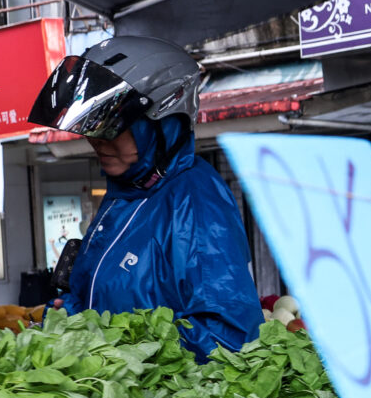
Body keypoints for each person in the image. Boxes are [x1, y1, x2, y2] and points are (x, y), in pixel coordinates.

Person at [29, 35, 261, 359]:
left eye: (110, 128)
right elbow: (90, 299)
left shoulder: (193, 199)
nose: (96, 142)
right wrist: (67, 320)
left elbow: (229, 334)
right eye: (91, 129)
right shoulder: (123, 193)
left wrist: (123, 357)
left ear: (162, 122)